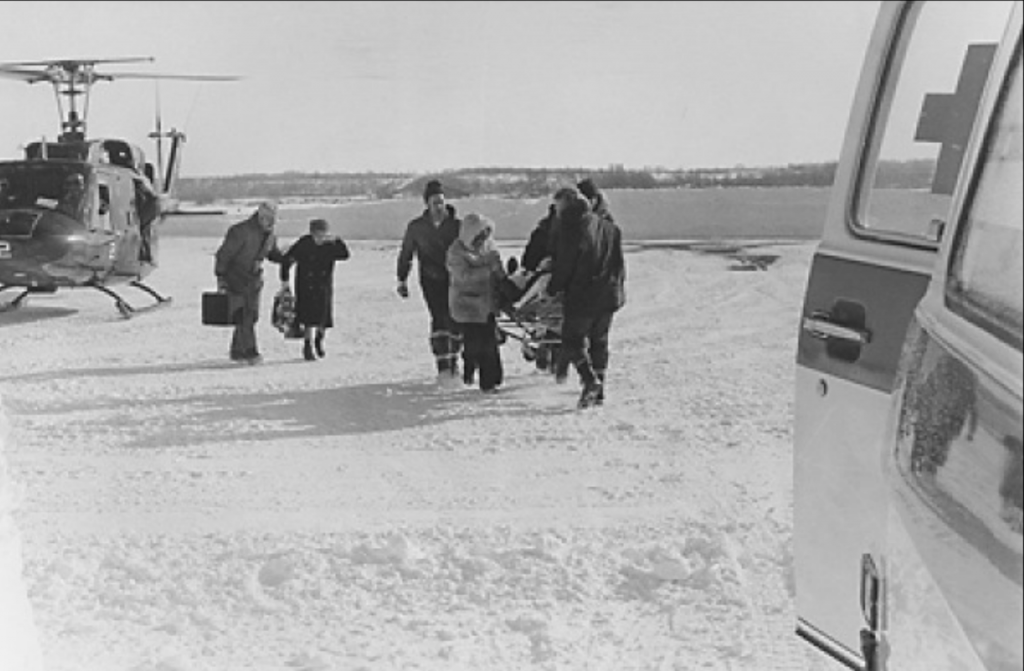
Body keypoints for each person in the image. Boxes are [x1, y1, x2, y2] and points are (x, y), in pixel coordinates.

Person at [546, 187, 626, 409]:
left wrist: (554, 286)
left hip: (583, 294)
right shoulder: (609, 227)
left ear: (568, 205)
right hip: (608, 294)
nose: (556, 211)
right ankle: (600, 390)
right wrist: (617, 289)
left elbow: (566, 263)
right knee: (599, 342)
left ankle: (590, 381)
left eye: (558, 206)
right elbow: (619, 264)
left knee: (572, 340)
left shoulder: (573, 227)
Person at [396, 179, 463, 380]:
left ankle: (454, 359)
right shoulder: (417, 227)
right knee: (439, 318)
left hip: (455, 278)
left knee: (455, 318)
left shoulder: (457, 225)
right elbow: (406, 252)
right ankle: (443, 364)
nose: (439, 206)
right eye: (435, 202)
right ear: (427, 203)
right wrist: (401, 279)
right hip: (430, 278)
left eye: (441, 202)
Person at [214, 200, 286, 364]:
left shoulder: (270, 234)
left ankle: (237, 351)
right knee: (246, 315)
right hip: (236, 277)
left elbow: (272, 253)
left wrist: (287, 258)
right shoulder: (240, 231)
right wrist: (221, 277)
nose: (271, 221)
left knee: (250, 315)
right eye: (268, 217)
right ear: (260, 215)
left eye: (273, 217)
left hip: (254, 280)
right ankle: (250, 351)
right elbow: (223, 255)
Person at [447, 213, 507, 392]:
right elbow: (463, 276)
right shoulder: (456, 251)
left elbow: (498, 272)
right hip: (468, 306)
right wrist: (488, 270)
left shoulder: (488, 249)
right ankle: (482, 379)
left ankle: (493, 378)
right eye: (479, 236)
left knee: (489, 343)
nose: (483, 240)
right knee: (477, 344)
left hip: (486, 305)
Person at [278, 218, 351, 361]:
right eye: (317, 234)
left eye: (322, 234)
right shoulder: (304, 243)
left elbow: (345, 255)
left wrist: (338, 240)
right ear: (311, 233)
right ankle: (307, 345)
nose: (319, 238)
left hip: (323, 285)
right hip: (305, 284)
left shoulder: (331, 245)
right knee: (307, 318)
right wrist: (285, 280)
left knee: (323, 317)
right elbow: (287, 260)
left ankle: (319, 339)